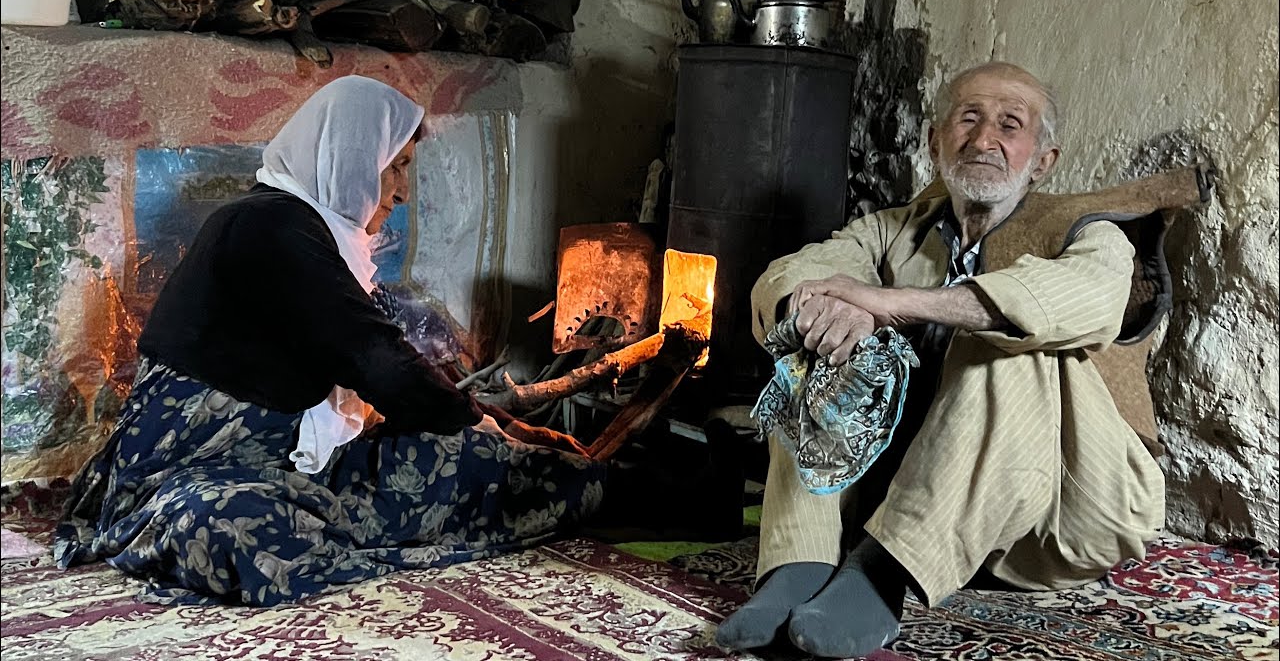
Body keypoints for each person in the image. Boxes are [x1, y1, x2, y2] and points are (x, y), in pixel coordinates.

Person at [54, 75, 605, 606]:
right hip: (185, 473)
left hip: (286, 462)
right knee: (230, 525)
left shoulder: (312, 231)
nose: (403, 193)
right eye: (397, 167)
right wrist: (493, 426)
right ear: (350, 155)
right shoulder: (268, 226)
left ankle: (343, 517)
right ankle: (312, 523)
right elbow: (378, 361)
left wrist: (499, 427)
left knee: (499, 465)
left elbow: (391, 362)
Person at [716, 62, 1166, 658]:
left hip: (1065, 509)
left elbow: (1087, 299)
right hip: (922, 498)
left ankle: (879, 575)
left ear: (1042, 161)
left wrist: (892, 303)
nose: (984, 139)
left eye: (1010, 125)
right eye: (968, 118)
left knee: (1004, 338)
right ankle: (800, 565)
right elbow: (795, 272)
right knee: (823, 330)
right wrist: (831, 309)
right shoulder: (897, 229)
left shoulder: (1086, 233)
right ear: (935, 142)